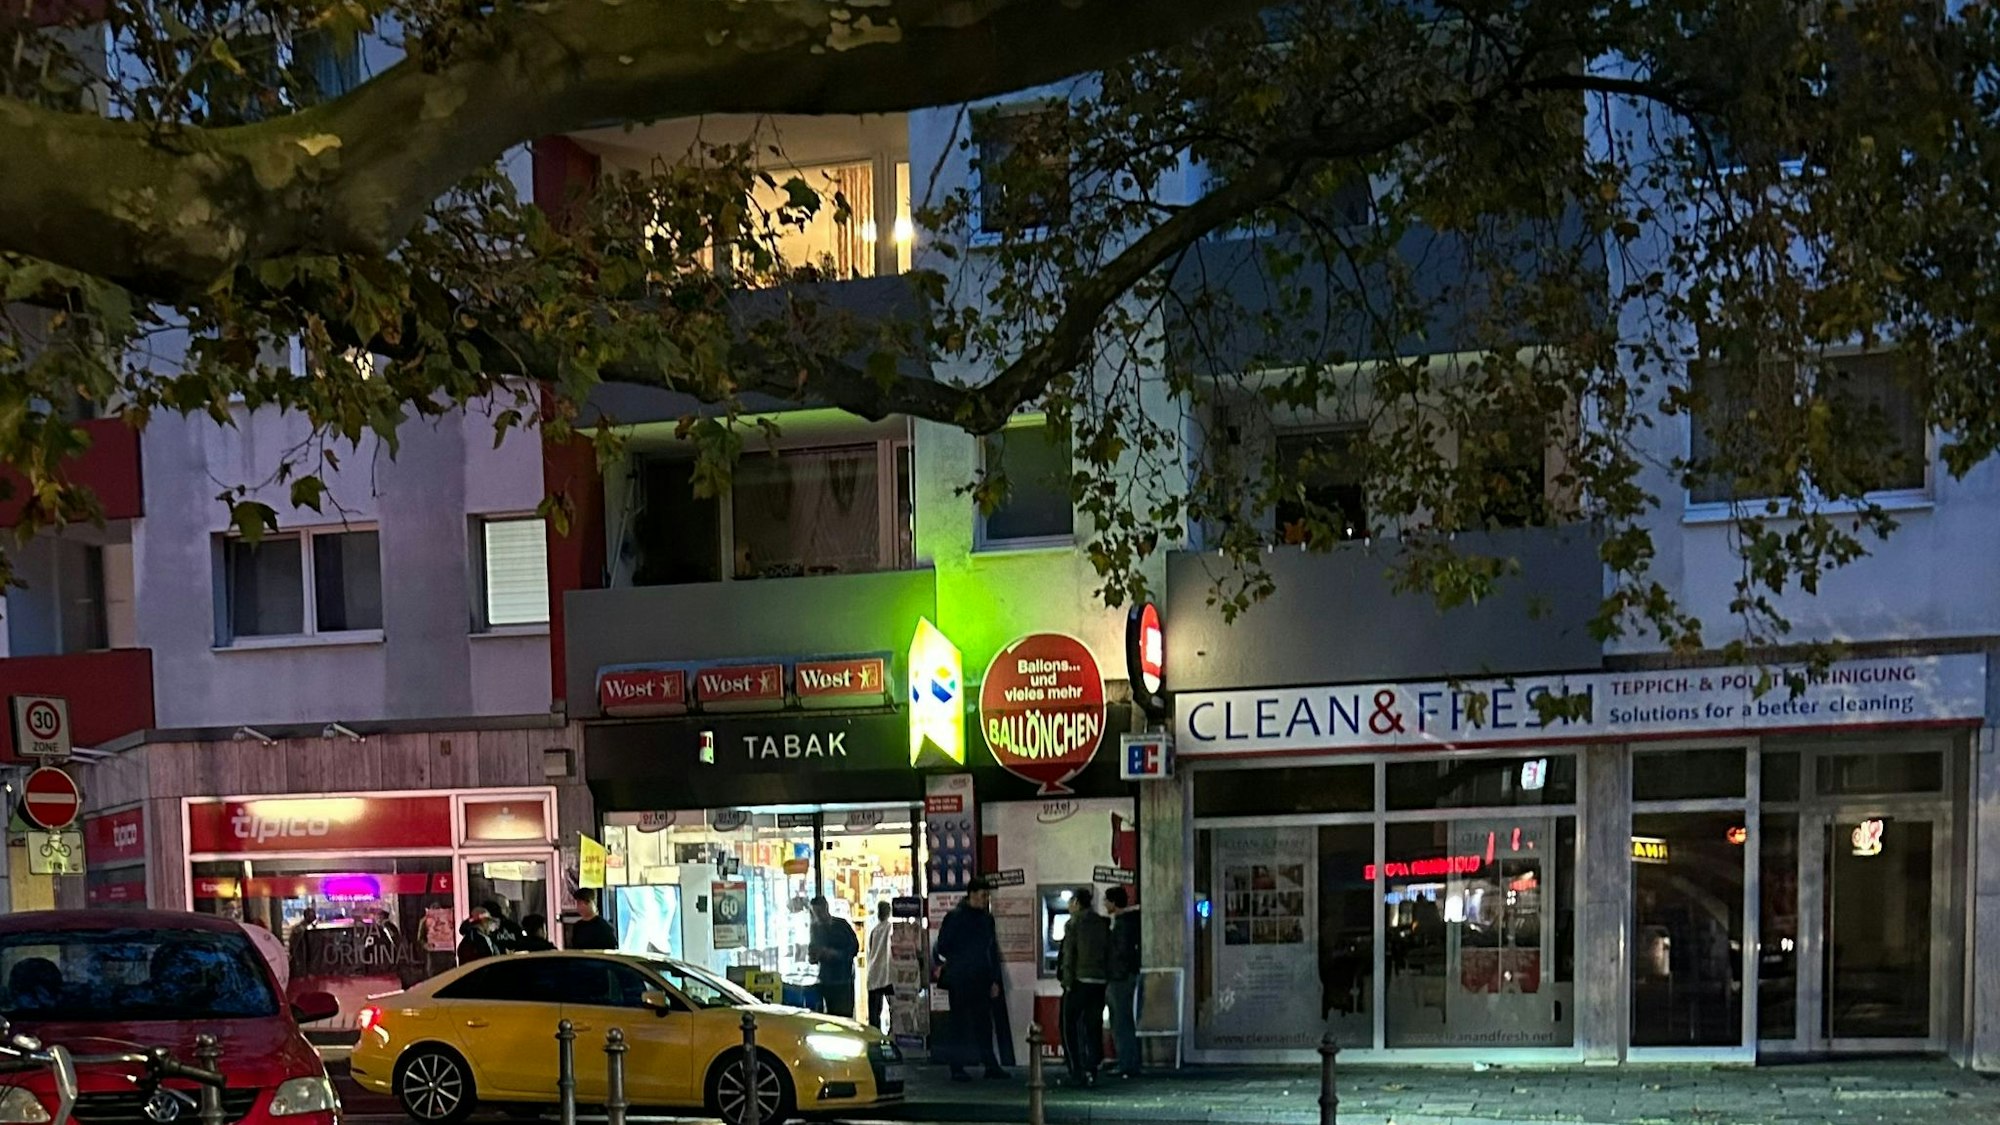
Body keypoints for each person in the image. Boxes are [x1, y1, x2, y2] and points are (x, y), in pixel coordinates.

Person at [934, 877, 1009, 1082]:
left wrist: (994, 979)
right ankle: (962, 1066)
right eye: (983, 895)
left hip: (974, 977)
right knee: (963, 1022)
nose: (986, 900)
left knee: (979, 1023)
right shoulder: (960, 918)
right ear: (972, 894)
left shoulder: (981, 918)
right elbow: (943, 946)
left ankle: (984, 1065)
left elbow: (991, 950)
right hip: (963, 977)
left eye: (987, 896)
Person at [1057, 886, 1110, 1088]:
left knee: (1068, 1025)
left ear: (1077, 903)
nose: (1069, 906)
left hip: (1079, 981)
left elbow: (1069, 955)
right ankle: (1092, 1068)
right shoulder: (1102, 923)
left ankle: (1076, 1070)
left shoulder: (1074, 924)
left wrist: (1067, 982)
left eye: (1071, 902)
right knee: (1093, 1026)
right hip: (1099, 982)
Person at [1104, 886, 1142, 1078]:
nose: (1104, 903)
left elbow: (1120, 954)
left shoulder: (1122, 925)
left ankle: (1126, 1063)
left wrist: (1113, 974)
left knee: (1120, 1021)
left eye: (1106, 900)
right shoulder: (1128, 922)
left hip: (1120, 978)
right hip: (1125, 976)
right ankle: (1129, 1061)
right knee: (1124, 1020)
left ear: (1113, 902)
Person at [808, 895, 860, 1018]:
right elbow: (812, 953)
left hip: (843, 980)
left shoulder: (841, 925)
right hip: (826, 980)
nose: (818, 916)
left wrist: (836, 954)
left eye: (819, 912)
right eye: (815, 913)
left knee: (844, 1016)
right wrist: (815, 956)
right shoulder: (815, 929)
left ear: (826, 908)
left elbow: (854, 948)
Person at [866, 900, 895, 1032]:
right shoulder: (891, 928)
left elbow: (871, 949)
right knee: (895, 1010)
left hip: (874, 973)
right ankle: (891, 1035)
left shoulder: (874, 931)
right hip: (889, 973)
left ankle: (875, 1037)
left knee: (874, 1014)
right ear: (889, 912)